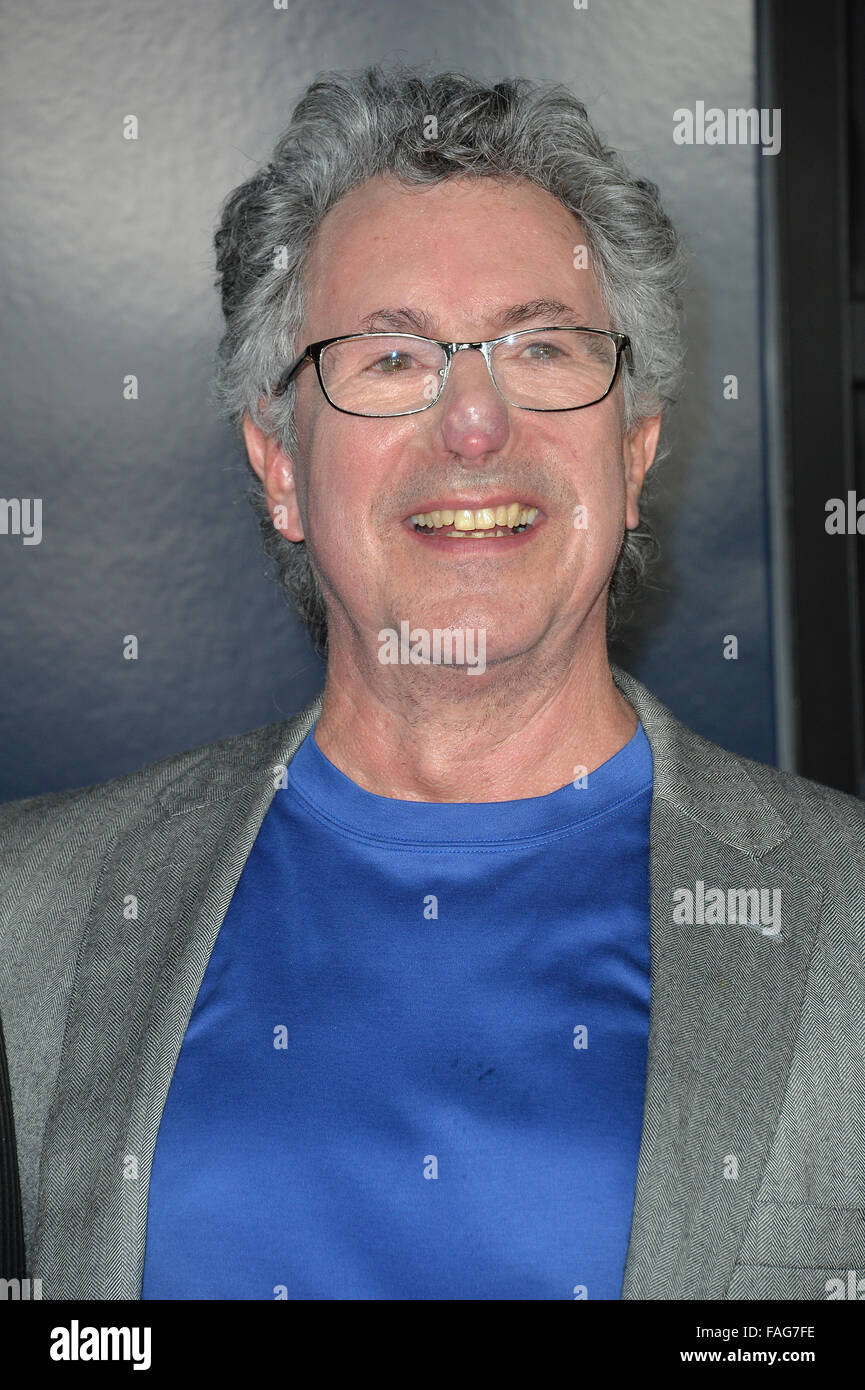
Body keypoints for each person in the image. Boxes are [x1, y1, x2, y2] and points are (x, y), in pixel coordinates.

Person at [1, 65, 864, 1302]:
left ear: (633, 448)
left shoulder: (851, 926)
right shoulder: (24, 918)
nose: (474, 424)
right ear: (279, 464)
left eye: (544, 346)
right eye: (392, 356)